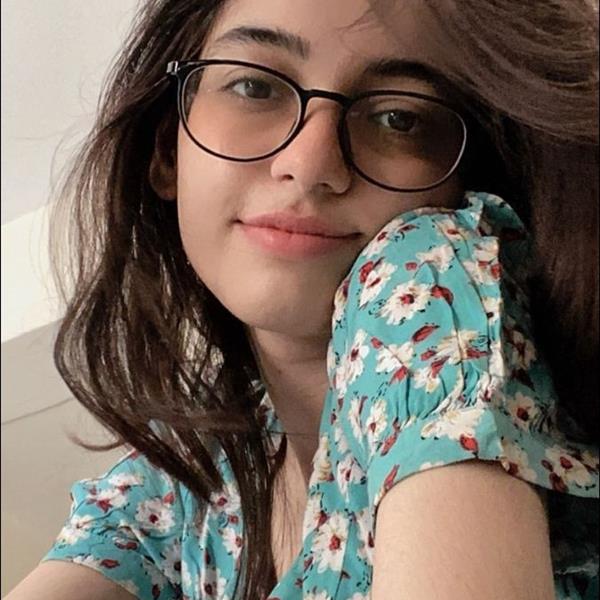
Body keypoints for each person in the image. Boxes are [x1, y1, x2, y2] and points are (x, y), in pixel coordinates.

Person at [7, 0, 599, 598]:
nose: (310, 163)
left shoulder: (429, 271)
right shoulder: (191, 478)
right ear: (167, 149)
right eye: (255, 87)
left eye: (400, 118)